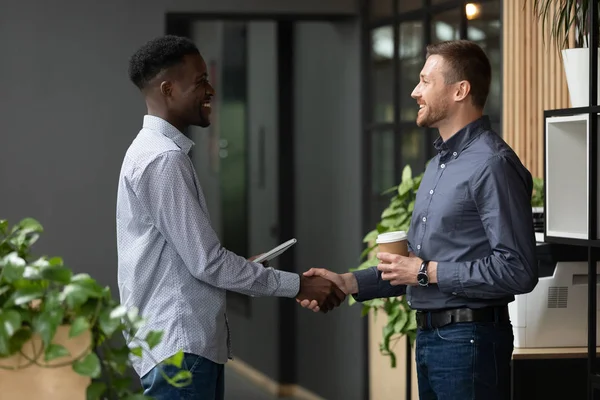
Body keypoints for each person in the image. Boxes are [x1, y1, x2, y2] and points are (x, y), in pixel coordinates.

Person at [301, 40, 538, 399]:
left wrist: (427, 272)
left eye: (426, 81)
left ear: (460, 90)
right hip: (432, 340)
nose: (415, 91)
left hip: (469, 342)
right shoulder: (438, 165)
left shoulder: (493, 164)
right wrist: (346, 282)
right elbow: (413, 265)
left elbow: (518, 269)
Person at [116, 35, 345, 400]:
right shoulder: (164, 160)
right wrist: (297, 284)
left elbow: (184, 262)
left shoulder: (149, 151)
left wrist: (238, 268)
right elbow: (207, 263)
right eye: (201, 81)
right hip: (180, 349)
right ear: (168, 89)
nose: (211, 90)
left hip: (173, 347)